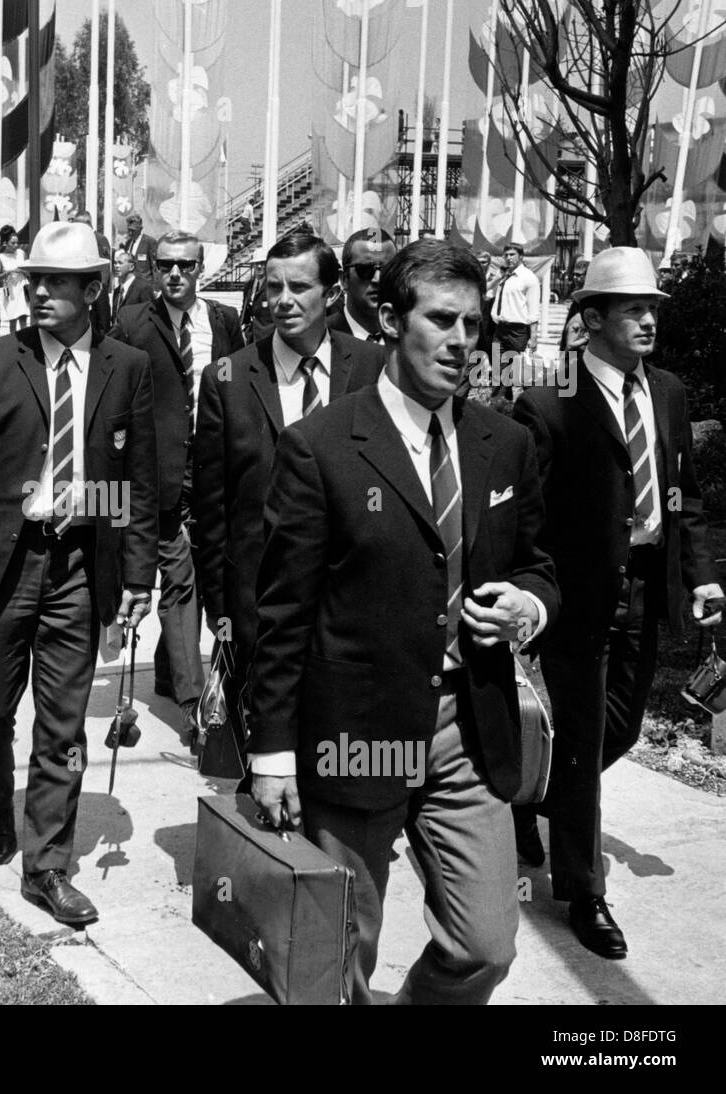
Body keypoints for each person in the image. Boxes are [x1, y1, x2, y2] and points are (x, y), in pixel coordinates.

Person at [247, 238, 559, 1005]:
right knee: (338, 952)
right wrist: (274, 752)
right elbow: (283, 613)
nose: (462, 342)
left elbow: (541, 564)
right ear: (390, 318)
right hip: (358, 728)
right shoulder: (321, 448)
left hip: (469, 726)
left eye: (475, 326)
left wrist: (531, 603)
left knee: (485, 943)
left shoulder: (505, 443)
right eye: (443, 320)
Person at [0, 220, 158, 927]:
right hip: (2, 564)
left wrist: (137, 577)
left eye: (56, 282)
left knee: (62, 727)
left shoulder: (128, 368)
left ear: (94, 289)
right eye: (34, 281)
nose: (41, 293)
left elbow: (139, 482)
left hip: (81, 569)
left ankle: (46, 866)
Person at [512, 247, 722, 960]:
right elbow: (528, 515)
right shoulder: (549, 402)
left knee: (620, 731)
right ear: (590, 317)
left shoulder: (667, 391)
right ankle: (583, 888)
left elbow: (685, 492)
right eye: (633, 308)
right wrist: (531, 589)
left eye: (653, 308)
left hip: (645, 587)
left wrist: (699, 577)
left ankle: (531, 795)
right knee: (579, 739)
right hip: (578, 596)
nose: (648, 320)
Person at [193, 232, 385, 736]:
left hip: (351, 590)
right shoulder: (228, 378)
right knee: (264, 738)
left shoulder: (372, 368)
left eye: (299, 287)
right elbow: (213, 506)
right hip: (258, 595)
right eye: (273, 286)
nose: (283, 300)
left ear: (332, 292)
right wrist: (220, 607)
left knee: (342, 735)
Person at [111, 229, 244, 740]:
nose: (174, 275)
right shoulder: (131, 323)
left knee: (213, 579)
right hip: (158, 476)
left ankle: (172, 672)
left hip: (214, 472)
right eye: (164, 265)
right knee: (180, 582)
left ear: (200, 268)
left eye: (185, 266)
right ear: (151, 268)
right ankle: (196, 706)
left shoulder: (224, 322)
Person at [328, 228, 396, 342]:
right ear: (344, 278)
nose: (377, 279)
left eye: (387, 270)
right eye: (365, 270)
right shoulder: (320, 336)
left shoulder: (409, 339)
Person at [490, 241, 539, 398]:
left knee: (522, 373)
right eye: (506, 255)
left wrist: (533, 337)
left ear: (521, 256)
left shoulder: (528, 278)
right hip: (501, 329)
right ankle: (499, 405)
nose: (508, 258)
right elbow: (487, 292)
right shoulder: (504, 276)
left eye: (512, 255)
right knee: (498, 370)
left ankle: (536, 402)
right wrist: (497, 278)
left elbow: (533, 311)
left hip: (518, 331)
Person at [72, 210, 114, 336]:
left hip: (99, 285)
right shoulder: (78, 240)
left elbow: (106, 264)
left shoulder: (99, 239)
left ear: (88, 223)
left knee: (102, 319)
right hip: (84, 285)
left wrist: (102, 286)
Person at [0, 225, 30, 333]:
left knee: (23, 319)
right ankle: (13, 344)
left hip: (22, 290)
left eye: (17, 243)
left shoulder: (21, 254)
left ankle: (25, 343)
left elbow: (30, 272)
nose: (16, 245)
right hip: (10, 292)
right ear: (5, 243)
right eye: (13, 243)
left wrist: (22, 271)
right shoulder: (1, 258)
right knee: (12, 321)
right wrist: (8, 272)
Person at [110, 248, 152, 321]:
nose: (116, 266)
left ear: (131, 267)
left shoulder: (143, 287)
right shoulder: (117, 291)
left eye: (120, 263)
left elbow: (149, 315)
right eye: (115, 263)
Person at [121, 211, 157, 285]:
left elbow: (155, 267)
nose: (130, 233)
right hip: (131, 284)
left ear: (140, 229)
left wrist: (155, 287)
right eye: (129, 230)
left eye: (133, 230)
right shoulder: (128, 243)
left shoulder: (149, 242)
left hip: (145, 285)